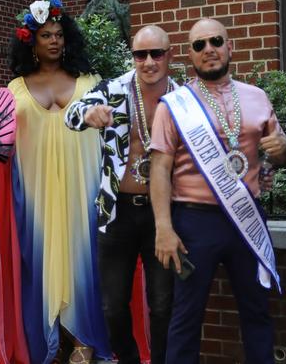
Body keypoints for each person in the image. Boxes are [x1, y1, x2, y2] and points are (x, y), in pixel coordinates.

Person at [0, 0, 111, 363]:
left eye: (60, 35)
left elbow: (114, 138)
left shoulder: (91, 83)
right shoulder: (12, 90)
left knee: (85, 264)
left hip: (83, 191)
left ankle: (85, 341)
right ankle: (49, 343)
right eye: (46, 34)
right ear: (30, 41)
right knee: (36, 269)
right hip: (34, 194)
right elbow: (1, 144)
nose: (54, 41)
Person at [149, 18, 286, 364]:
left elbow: (279, 155)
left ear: (230, 47)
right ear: (190, 55)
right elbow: (160, 169)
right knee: (186, 316)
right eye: (199, 45)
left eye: (215, 41)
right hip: (194, 223)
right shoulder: (174, 105)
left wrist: (283, 149)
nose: (208, 49)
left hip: (247, 218)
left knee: (257, 310)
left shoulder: (257, 97)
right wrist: (163, 228)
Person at [65, 25, 176, 364]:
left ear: (169, 55)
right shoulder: (112, 89)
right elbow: (70, 116)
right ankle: (127, 359)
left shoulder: (183, 98)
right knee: (112, 305)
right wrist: (87, 113)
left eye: (156, 53)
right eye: (140, 54)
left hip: (163, 213)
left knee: (162, 303)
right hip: (117, 211)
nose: (148, 61)